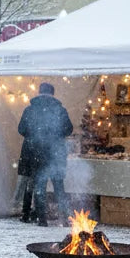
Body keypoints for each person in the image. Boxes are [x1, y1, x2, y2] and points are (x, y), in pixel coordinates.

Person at [17, 82, 74, 227]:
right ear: (52, 94)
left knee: (39, 186)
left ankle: (42, 219)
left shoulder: (30, 110)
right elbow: (68, 129)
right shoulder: (60, 110)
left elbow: (21, 129)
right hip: (55, 153)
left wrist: (34, 135)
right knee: (59, 187)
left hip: (35, 153)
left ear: (39, 92)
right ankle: (64, 218)